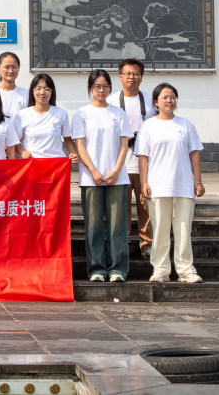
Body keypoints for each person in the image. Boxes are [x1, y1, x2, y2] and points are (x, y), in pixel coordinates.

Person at [137, 83, 205, 284]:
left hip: (183, 183)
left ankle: (186, 270)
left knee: (184, 228)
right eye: (165, 97)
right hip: (158, 184)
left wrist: (198, 181)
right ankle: (160, 269)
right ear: (156, 102)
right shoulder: (148, 125)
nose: (169, 101)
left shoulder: (185, 125)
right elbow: (143, 157)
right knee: (159, 228)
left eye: (173, 97)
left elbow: (194, 154)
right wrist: (144, 182)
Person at [72, 69, 133, 283]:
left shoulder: (118, 113)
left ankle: (118, 268)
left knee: (117, 224)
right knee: (94, 224)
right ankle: (97, 268)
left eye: (105, 86)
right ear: (90, 88)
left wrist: (116, 170)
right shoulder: (81, 113)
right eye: (97, 86)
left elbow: (124, 144)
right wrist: (94, 171)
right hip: (91, 178)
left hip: (117, 177)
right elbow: (80, 145)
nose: (101, 90)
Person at [117, 57, 156, 259]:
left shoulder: (151, 101)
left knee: (146, 208)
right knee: (121, 211)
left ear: (141, 77)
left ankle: (147, 246)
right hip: (120, 166)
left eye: (136, 73)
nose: (131, 77)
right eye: (128, 73)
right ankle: (122, 245)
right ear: (120, 76)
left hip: (145, 166)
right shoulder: (112, 100)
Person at [15, 73, 78, 162]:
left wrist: (73, 154)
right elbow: (15, 141)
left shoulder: (61, 113)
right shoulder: (22, 114)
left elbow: (67, 139)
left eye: (46, 89)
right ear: (32, 91)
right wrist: (23, 152)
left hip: (56, 164)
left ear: (52, 91)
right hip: (32, 164)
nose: (42, 92)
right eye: (38, 88)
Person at [0, 52, 29, 118]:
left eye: (14, 67)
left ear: (18, 68)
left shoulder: (26, 94)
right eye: (6, 67)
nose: (10, 71)